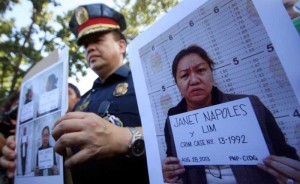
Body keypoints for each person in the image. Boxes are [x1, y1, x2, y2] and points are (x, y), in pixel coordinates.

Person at [162, 45, 300, 184]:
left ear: (211, 73)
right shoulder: (172, 122)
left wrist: (291, 177)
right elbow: (174, 166)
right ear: (177, 84)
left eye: (201, 70)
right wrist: (169, 173)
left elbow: (286, 155)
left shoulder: (252, 106)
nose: (194, 80)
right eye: (184, 75)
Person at [52, 3, 149, 183]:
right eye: (86, 45)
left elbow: (179, 131)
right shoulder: (81, 102)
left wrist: (124, 138)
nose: (89, 48)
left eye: (97, 40)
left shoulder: (146, 80)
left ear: (121, 45)